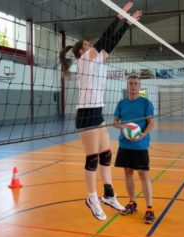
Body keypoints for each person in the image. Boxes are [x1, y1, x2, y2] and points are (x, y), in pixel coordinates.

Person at [60, 2, 142, 221]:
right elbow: (105, 40)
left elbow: (111, 44)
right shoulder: (85, 60)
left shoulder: (96, 61)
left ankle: (107, 195)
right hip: (86, 114)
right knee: (92, 159)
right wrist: (118, 17)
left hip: (97, 112)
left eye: (89, 44)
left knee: (106, 154)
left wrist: (127, 24)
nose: (89, 46)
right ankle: (92, 198)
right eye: (86, 44)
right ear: (81, 52)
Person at [113, 75, 155, 224]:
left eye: (136, 84)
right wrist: (122, 127)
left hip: (140, 145)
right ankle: (132, 203)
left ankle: (149, 209)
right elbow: (115, 122)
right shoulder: (121, 103)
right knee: (128, 173)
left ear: (139, 85)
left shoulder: (146, 103)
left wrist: (143, 134)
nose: (133, 86)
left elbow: (151, 123)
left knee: (143, 175)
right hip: (125, 144)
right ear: (127, 85)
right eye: (130, 83)